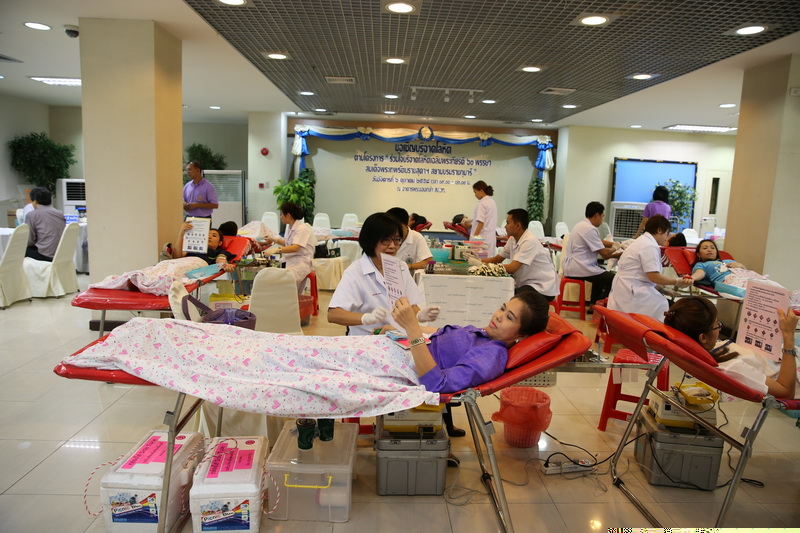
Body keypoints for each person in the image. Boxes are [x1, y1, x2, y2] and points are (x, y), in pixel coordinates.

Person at [392, 291, 550, 393]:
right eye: (502, 308)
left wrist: (412, 329)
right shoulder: (484, 334)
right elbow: (441, 333)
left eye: (509, 317)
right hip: (402, 349)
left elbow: (437, 383)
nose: (498, 316)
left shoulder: (490, 356)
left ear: (521, 335)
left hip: (404, 367)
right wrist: (400, 329)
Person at [664, 296, 798, 399]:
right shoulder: (731, 367)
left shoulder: (704, 349)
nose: (719, 329)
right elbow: (785, 391)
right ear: (703, 338)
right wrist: (788, 335)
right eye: (717, 325)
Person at [328, 212, 436, 337]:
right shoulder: (355, 272)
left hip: (399, 337)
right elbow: (333, 314)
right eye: (386, 240)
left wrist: (420, 315)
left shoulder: (400, 267)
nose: (392, 246)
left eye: (397, 240)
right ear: (370, 241)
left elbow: (410, 305)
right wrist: (366, 318)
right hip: (368, 340)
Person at [608, 215, 692, 321]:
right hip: (632, 291)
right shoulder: (649, 245)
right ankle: (655, 330)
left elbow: (646, 276)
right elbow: (654, 277)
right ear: (659, 230)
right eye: (667, 233)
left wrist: (665, 290)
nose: (666, 237)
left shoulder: (643, 241)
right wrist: (677, 281)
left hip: (626, 287)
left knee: (663, 303)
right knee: (663, 305)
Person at [476, 209, 559, 301]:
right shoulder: (512, 239)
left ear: (518, 225)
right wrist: (476, 261)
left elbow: (512, 268)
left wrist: (484, 266)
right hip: (527, 283)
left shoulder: (529, 241)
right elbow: (497, 259)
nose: (505, 226)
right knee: (498, 288)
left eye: (508, 223)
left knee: (508, 296)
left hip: (542, 287)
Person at [562, 201, 620, 307]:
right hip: (579, 267)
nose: (602, 220)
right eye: (602, 216)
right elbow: (605, 254)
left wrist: (618, 244)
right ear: (597, 215)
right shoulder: (589, 229)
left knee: (600, 272)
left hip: (572, 266)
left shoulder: (581, 225)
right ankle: (601, 307)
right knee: (614, 279)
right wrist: (616, 248)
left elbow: (599, 242)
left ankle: (593, 306)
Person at [263, 202, 315, 293]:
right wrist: (274, 239)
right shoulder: (289, 227)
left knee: (286, 282)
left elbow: (295, 247)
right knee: (276, 276)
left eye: (282, 214)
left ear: (288, 215)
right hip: (291, 259)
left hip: (302, 261)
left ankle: (288, 299)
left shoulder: (302, 229)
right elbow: (288, 243)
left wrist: (277, 250)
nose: (280, 217)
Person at [171, 222, 236, 272]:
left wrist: (225, 266)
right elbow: (177, 257)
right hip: (179, 263)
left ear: (220, 243)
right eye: (207, 234)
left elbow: (221, 260)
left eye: (214, 235)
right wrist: (181, 232)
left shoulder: (219, 252)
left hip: (195, 267)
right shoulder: (192, 248)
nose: (209, 237)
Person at [24, 187, 66, 262]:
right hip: (60, 254)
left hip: (44, 255)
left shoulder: (32, 215)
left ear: (35, 201)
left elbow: (30, 241)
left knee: (19, 250)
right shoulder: (59, 214)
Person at [387, 207, 433, 272]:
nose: (396, 232)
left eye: (399, 229)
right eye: (392, 229)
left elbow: (428, 262)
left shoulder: (417, 237)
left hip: (408, 276)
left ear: (406, 224)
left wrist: (406, 266)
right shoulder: (384, 237)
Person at [467, 180, 498, 256]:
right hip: (490, 238)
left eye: (475, 192)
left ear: (481, 190)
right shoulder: (492, 202)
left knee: (478, 260)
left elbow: (481, 223)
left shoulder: (482, 203)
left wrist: (474, 238)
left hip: (481, 238)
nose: (475, 195)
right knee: (489, 259)